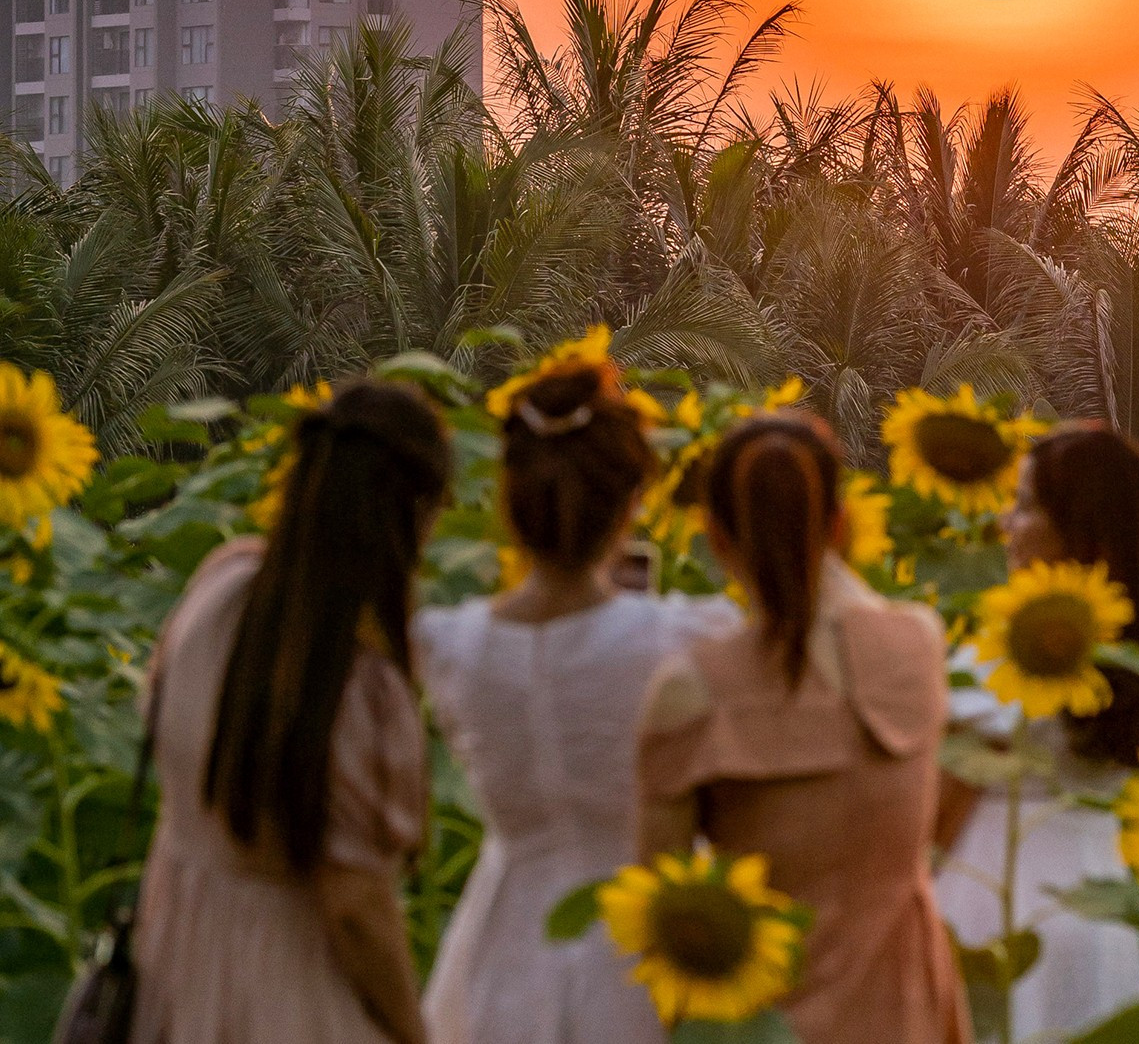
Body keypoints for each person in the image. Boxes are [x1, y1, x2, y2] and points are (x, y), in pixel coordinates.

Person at [415, 361, 736, 1044]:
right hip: (636, 946)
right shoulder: (681, 637)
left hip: (496, 940)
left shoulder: (449, 644)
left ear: (510, 505)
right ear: (630, 506)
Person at [133, 380, 452, 1044]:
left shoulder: (217, 589)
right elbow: (355, 909)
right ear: (411, 515)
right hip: (290, 991)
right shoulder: (357, 686)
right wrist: (416, 1033)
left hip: (175, 961)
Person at [636, 411, 970, 1044]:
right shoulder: (918, 644)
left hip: (761, 1026)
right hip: (905, 1018)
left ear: (717, 538)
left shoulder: (691, 689)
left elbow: (664, 926)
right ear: (841, 525)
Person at [936, 422, 1139, 1039]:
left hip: (994, 911)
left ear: (1073, 527)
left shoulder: (1004, 662)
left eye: (1024, 506)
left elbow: (936, 818)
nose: (1005, 523)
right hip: (1099, 913)